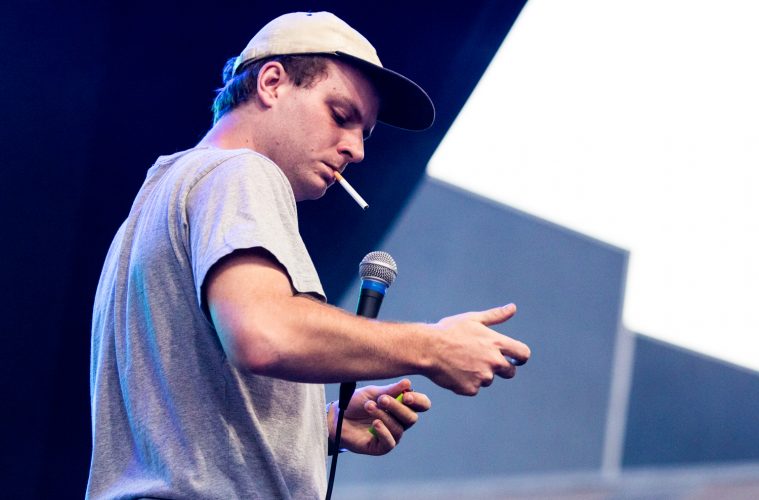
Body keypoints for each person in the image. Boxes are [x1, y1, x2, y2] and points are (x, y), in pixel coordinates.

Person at [86, 11, 530, 499]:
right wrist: (434, 346)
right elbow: (263, 334)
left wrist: (316, 427)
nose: (356, 150)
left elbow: (182, 404)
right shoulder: (242, 172)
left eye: (364, 132)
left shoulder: (161, 195)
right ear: (272, 83)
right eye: (340, 116)